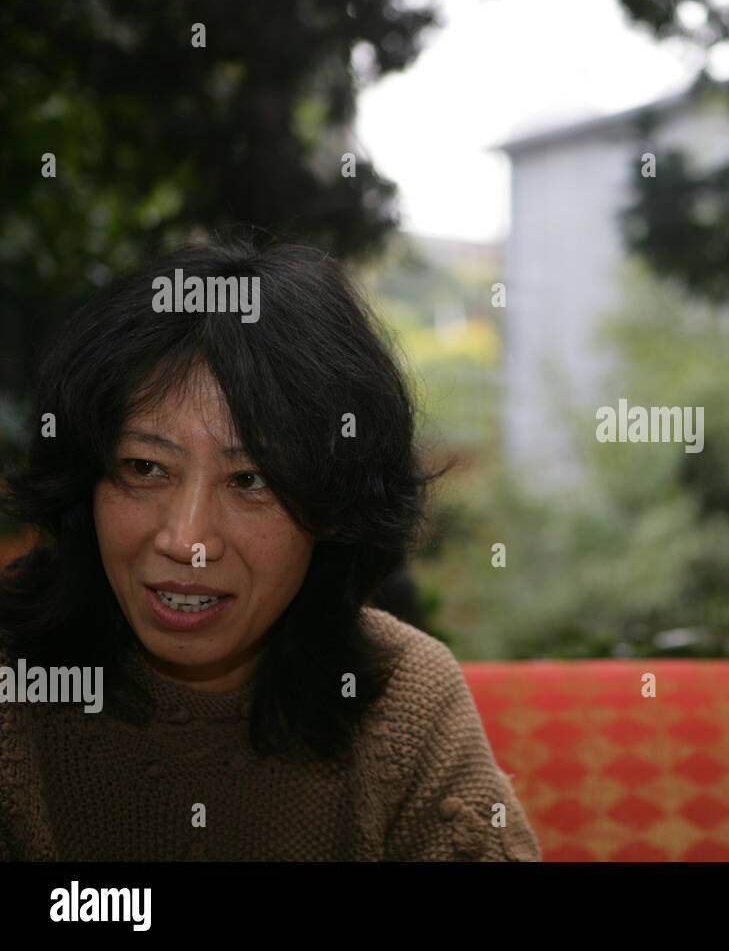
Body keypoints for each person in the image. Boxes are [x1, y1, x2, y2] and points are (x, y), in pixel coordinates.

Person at [0, 238, 541, 861]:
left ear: (331, 506)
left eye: (251, 480)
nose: (187, 541)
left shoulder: (405, 704)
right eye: (145, 467)